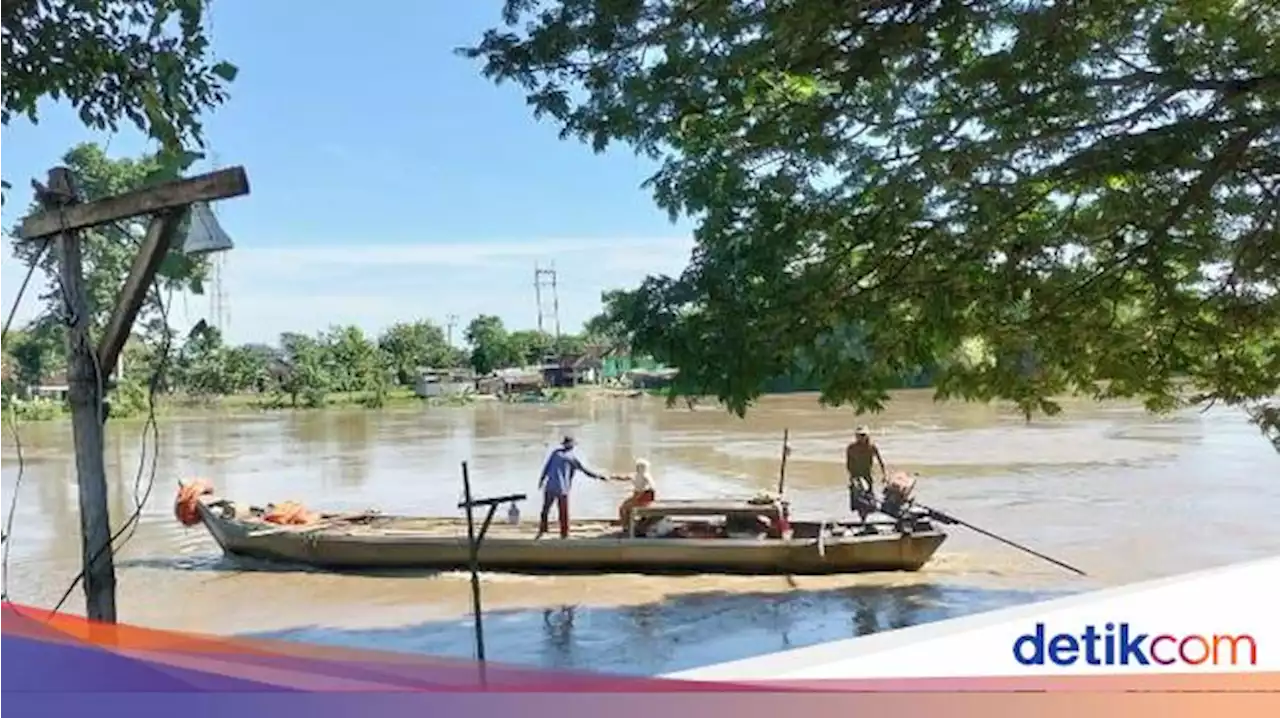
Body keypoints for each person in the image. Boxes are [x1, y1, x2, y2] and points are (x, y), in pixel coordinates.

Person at [536, 436, 608, 539]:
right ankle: (564, 534)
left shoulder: (555, 453)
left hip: (550, 486)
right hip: (562, 489)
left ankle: (543, 529)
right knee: (563, 513)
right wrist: (599, 476)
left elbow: (546, 468)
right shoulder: (571, 458)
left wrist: (541, 480)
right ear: (571, 446)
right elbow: (585, 470)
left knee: (545, 509)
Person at [846, 426, 886, 522]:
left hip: (867, 475)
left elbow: (880, 461)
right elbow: (849, 463)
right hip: (855, 476)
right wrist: (852, 478)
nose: (861, 437)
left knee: (869, 501)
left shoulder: (871, 447)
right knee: (858, 502)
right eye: (859, 435)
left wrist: (885, 474)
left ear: (867, 436)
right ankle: (862, 521)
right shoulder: (851, 448)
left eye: (863, 435)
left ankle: (865, 520)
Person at [613, 458, 657, 528]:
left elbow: (646, 489)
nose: (636, 468)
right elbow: (625, 477)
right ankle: (626, 524)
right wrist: (614, 477)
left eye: (637, 466)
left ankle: (625, 525)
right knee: (624, 506)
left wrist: (636, 498)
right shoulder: (639, 475)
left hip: (643, 498)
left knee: (624, 508)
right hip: (641, 497)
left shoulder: (644, 476)